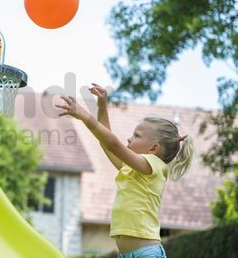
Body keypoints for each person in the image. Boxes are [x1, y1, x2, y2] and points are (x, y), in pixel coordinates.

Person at [56, 83, 195, 258]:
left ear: (153, 148)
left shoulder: (154, 166)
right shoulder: (133, 168)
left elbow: (113, 145)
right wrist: (102, 108)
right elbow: (107, 143)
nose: (129, 138)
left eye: (137, 136)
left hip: (147, 253)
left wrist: (84, 115)